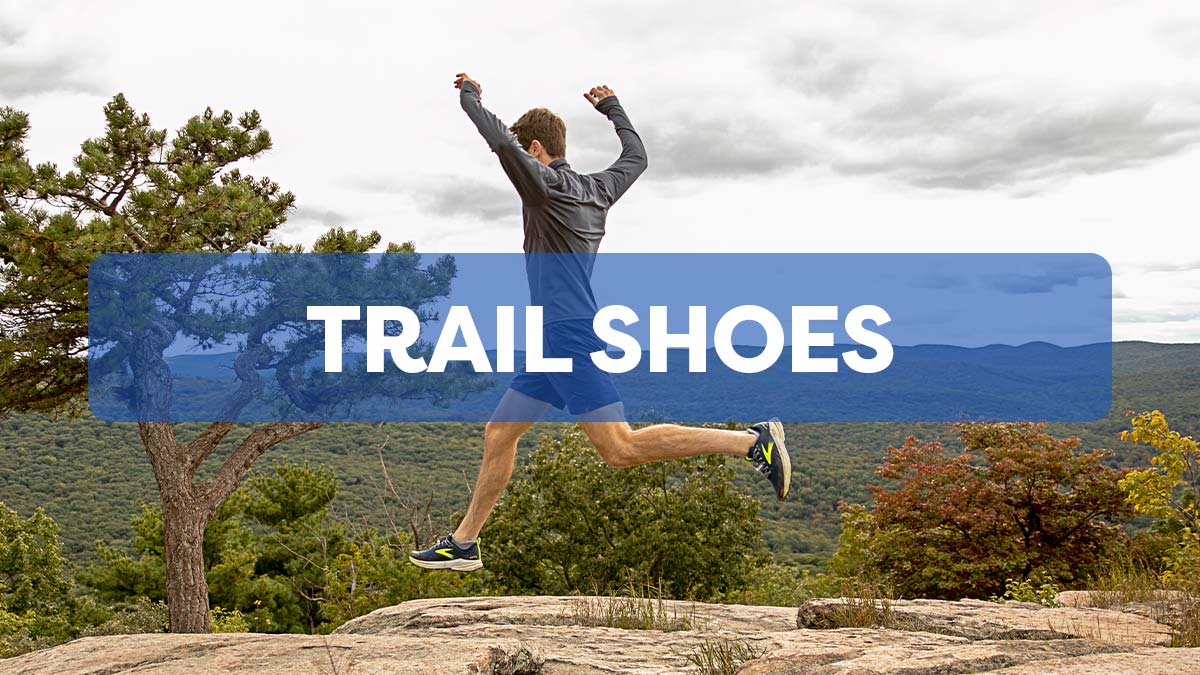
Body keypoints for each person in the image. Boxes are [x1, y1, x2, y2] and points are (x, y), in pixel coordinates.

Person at [408, 73, 791, 572]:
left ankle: (750, 441)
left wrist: (470, 97)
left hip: (567, 335)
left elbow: (502, 143)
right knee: (499, 433)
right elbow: (637, 157)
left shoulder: (544, 187)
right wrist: (613, 108)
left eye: (528, 155)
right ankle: (464, 543)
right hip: (555, 337)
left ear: (538, 149)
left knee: (620, 448)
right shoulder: (598, 190)